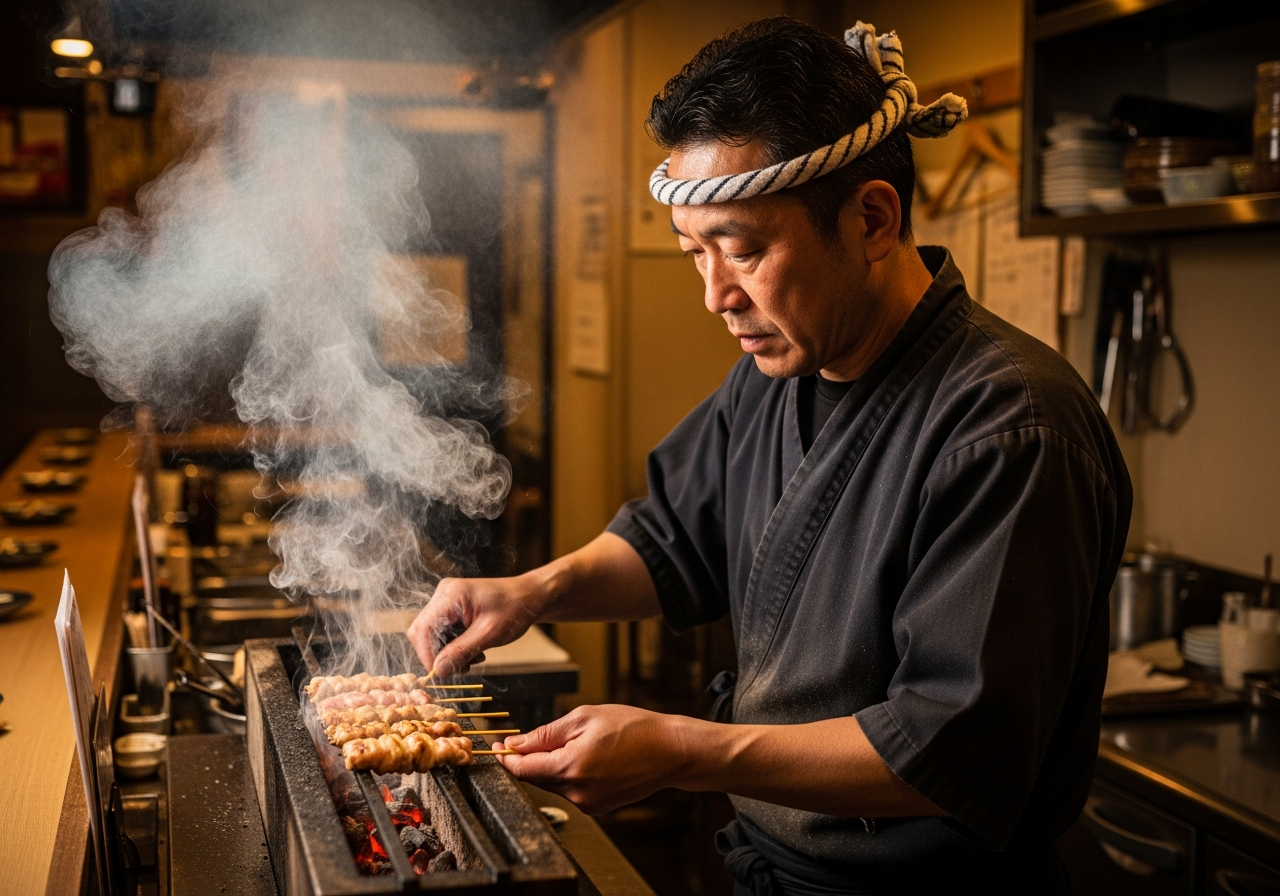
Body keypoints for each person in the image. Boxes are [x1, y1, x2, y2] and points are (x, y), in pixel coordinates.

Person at [409, 17, 1131, 894]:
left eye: (743, 250)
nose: (716, 295)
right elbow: (673, 539)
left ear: (872, 219)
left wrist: (685, 751)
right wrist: (532, 591)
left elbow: (947, 749)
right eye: (695, 254)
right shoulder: (777, 373)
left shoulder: (1010, 425)